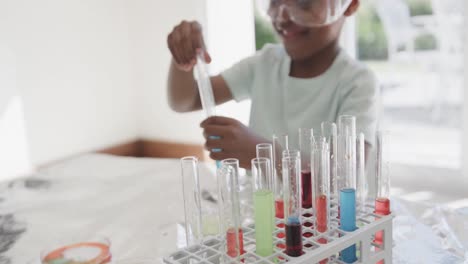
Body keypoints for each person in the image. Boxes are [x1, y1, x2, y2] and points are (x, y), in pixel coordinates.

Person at [166, 0, 378, 169]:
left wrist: (264, 155)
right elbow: (185, 100)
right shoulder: (264, 64)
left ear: (350, 5)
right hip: (264, 213)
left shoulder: (358, 83)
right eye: (275, 2)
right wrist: (182, 60)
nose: (283, 17)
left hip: (324, 221)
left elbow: (345, 176)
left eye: (304, 3)